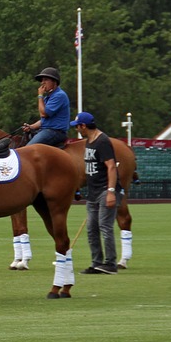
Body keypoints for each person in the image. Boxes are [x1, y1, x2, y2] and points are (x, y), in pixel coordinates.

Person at [74, 111, 119, 275]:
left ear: (83, 126)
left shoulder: (102, 141)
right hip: (92, 192)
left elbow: (111, 166)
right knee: (92, 229)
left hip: (105, 190)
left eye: (77, 127)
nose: (77, 130)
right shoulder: (88, 142)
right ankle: (97, 263)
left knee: (105, 227)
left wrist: (111, 192)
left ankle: (110, 263)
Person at [21, 66, 71, 147]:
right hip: (46, 130)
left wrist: (40, 95)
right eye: (42, 80)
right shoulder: (49, 97)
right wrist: (31, 127)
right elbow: (44, 120)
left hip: (55, 132)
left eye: (46, 80)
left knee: (27, 150)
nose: (42, 83)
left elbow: (44, 114)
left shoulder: (59, 95)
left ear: (54, 82)